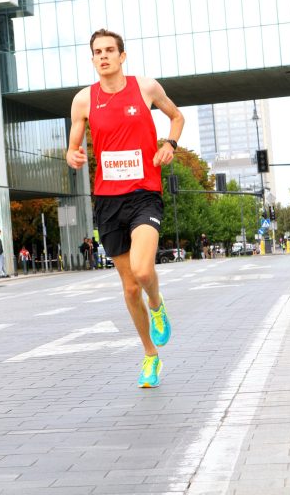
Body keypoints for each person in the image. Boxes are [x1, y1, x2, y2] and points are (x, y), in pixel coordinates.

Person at [66, 28, 184, 388]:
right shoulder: (83, 100)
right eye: (97, 52)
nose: (103, 57)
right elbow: (73, 145)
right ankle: (150, 355)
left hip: (144, 193)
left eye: (109, 51)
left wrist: (170, 144)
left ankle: (158, 303)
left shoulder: (146, 88)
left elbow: (176, 117)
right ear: (93, 59)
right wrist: (73, 154)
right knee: (129, 286)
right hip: (108, 200)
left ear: (122, 56)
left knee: (144, 271)